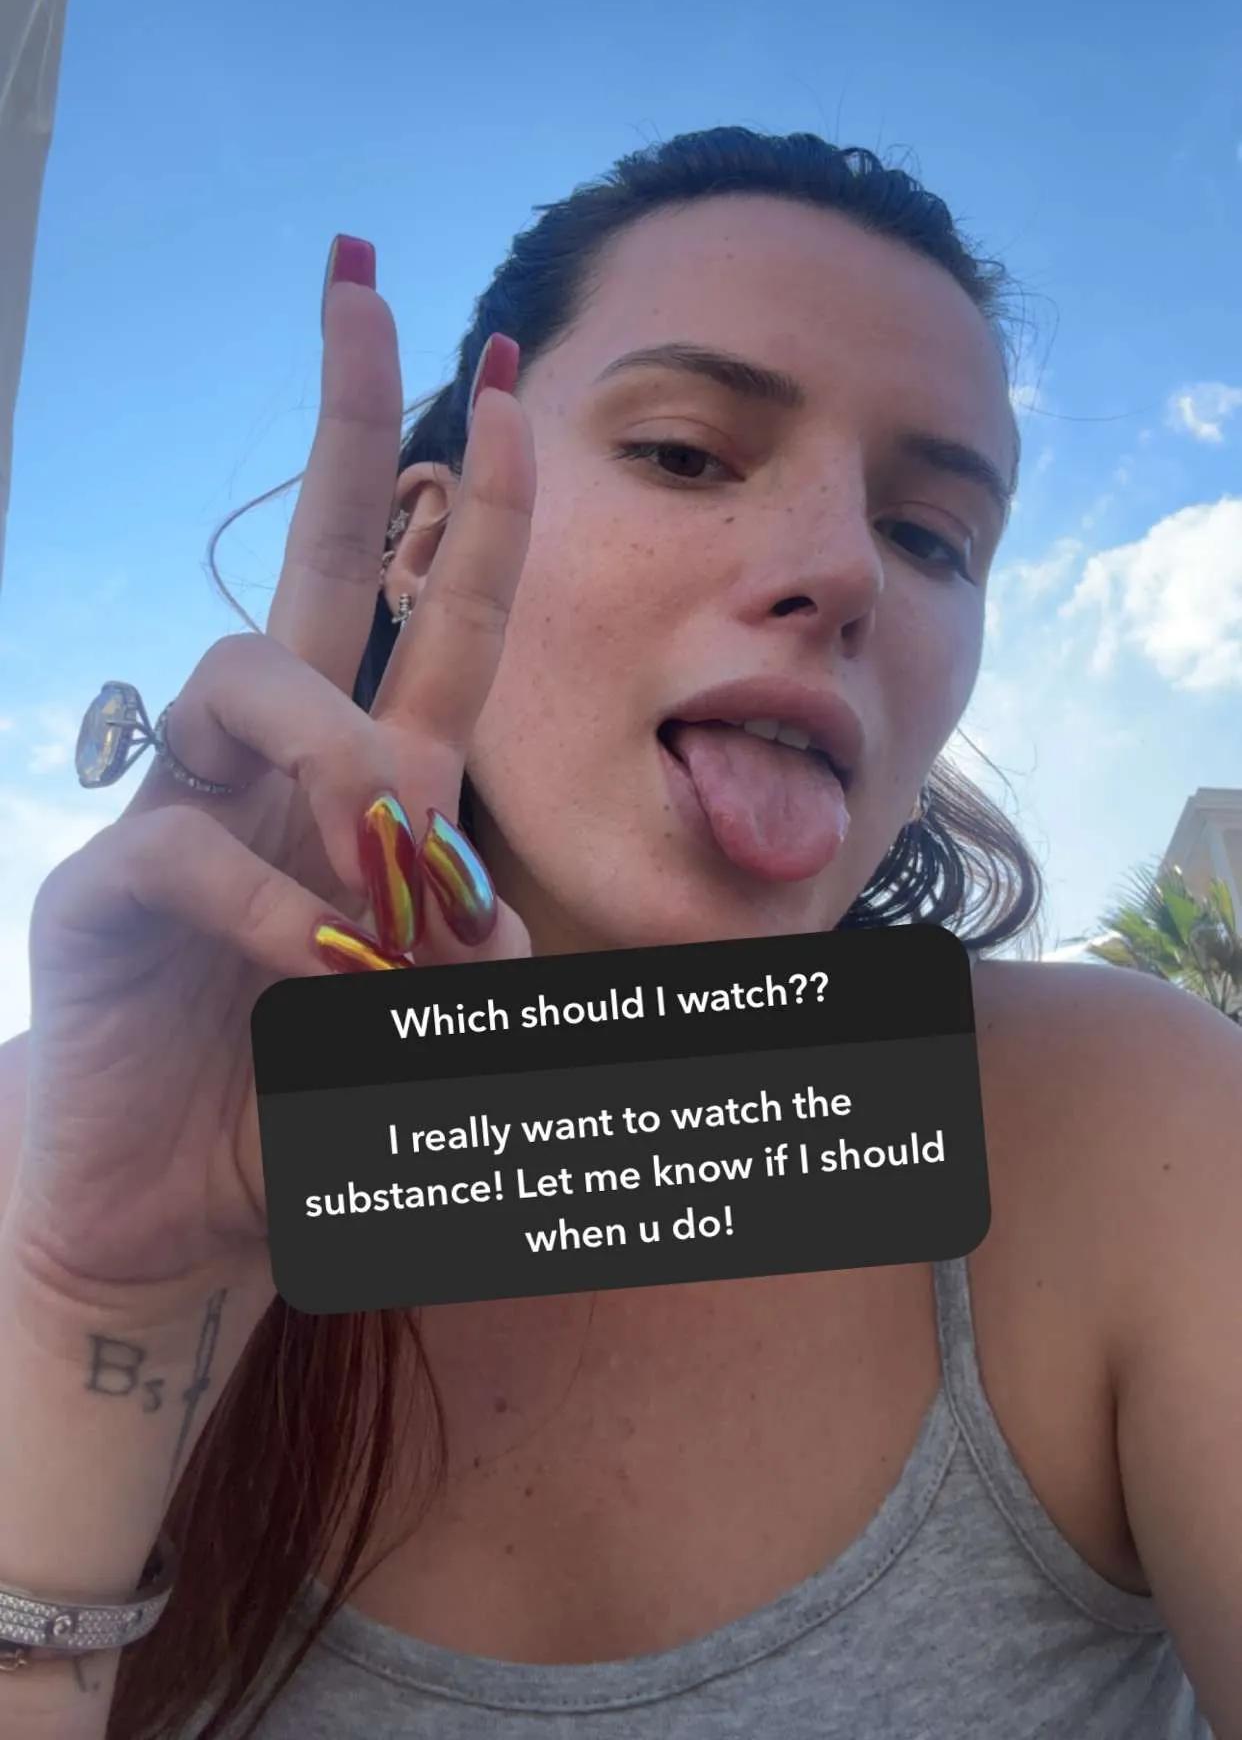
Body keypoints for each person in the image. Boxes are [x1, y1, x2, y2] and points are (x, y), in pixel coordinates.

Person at [0, 128, 1237, 1740]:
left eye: (931, 536)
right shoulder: (62, 1161)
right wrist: (99, 1326)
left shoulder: (1123, 1126)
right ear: (425, 539)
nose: (841, 571)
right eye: (684, 454)